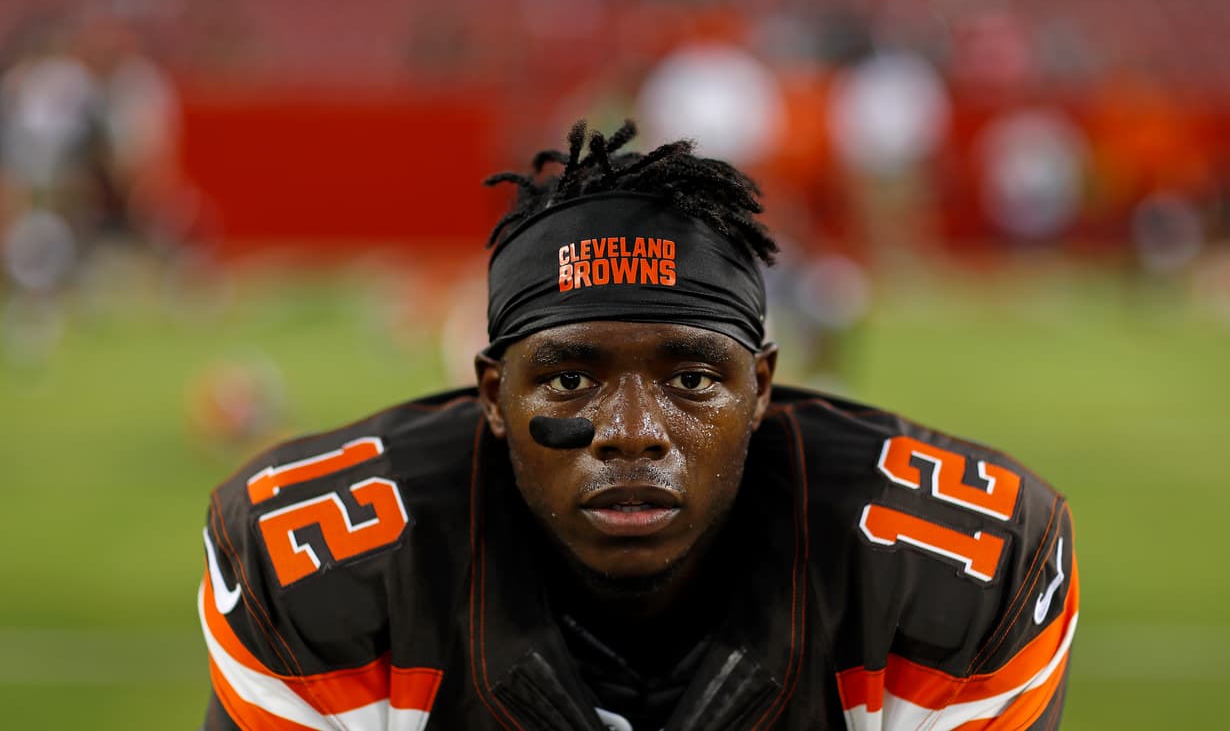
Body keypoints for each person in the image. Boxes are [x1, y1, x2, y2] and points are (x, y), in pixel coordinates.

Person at [197, 120, 1078, 731]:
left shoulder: (963, 571)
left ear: (763, 386)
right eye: (570, 377)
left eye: (692, 377)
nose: (629, 431)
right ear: (494, 395)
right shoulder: (316, 574)